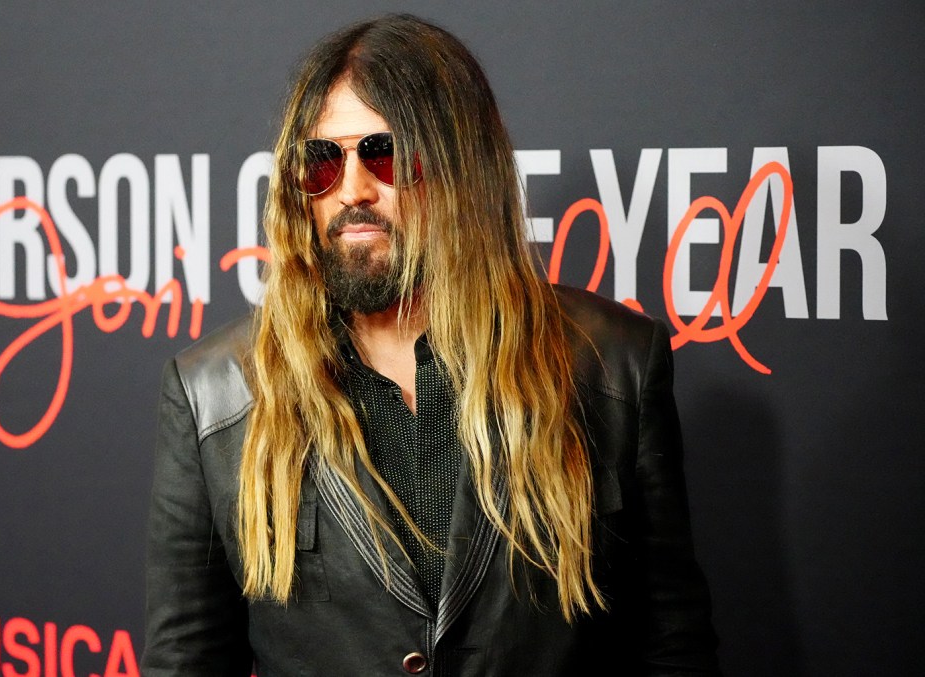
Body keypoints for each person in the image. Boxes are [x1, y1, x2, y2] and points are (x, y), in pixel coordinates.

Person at [143, 13, 720, 676]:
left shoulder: (612, 366)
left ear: (463, 166)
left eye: (385, 154)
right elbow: (185, 659)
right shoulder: (216, 395)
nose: (352, 190)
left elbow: (672, 647)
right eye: (323, 161)